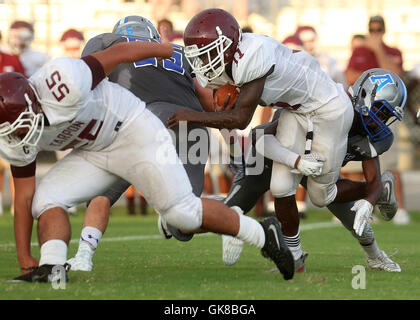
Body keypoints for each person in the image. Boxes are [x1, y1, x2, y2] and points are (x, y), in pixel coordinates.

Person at [0, 30, 294, 282]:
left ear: (33, 103)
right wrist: (26, 258)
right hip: (94, 151)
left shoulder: (63, 81)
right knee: (43, 200)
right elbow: (24, 197)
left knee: (182, 213)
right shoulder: (13, 137)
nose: (19, 134)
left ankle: (262, 234)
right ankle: (52, 269)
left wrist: (165, 49)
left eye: (20, 124)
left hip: (131, 129)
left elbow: (119, 52)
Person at [164, 68, 406, 273]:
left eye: (387, 115)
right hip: (274, 155)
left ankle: (374, 256)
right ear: (364, 94)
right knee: (232, 209)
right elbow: (260, 136)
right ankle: (178, 219)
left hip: (318, 167)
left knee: (348, 210)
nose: (381, 121)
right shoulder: (324, 104)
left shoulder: (369, 130)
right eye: (382, 111)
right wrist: (296, 160)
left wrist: (371, 197)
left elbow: (373, 177)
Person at [167, 8, 355, 269]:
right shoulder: (223, 65)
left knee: (321, 194)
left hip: (326, 107)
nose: (204, 60)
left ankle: (374, 191)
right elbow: (228, 118)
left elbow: (240, 119)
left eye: (209, 51)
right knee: (280, 187)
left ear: (229, 45)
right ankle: (294, 256)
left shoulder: (252, 56)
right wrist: (233, 150)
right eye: (200, 54)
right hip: (293, 110)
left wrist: (192, 116)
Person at [67, 15, 210, 269]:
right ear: (153, 35)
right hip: (190, 127)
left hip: (142, 122)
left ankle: (83, 256)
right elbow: (210, 103)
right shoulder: (180, 52)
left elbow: (85, 81)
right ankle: (236, 210)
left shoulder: (108, 42)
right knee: (187, 217)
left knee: (101, 194)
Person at [346, 15, 409, 225]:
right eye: (372, 30)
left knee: (390, 162)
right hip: (365, 112)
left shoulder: (392, 52)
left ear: (383, 30)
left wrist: (378, 49)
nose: (375, 33)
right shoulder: (359, 51)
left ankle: (398, 208)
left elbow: (397, 75)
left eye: (378, 29)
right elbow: (351, 78)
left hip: (386, 114)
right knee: (356, 163)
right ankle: (355, 205)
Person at [0, 39, 25, 216]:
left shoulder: (11, 59)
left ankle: (18, 204)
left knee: (14, 162)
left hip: (11, 119)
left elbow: (24, 85)